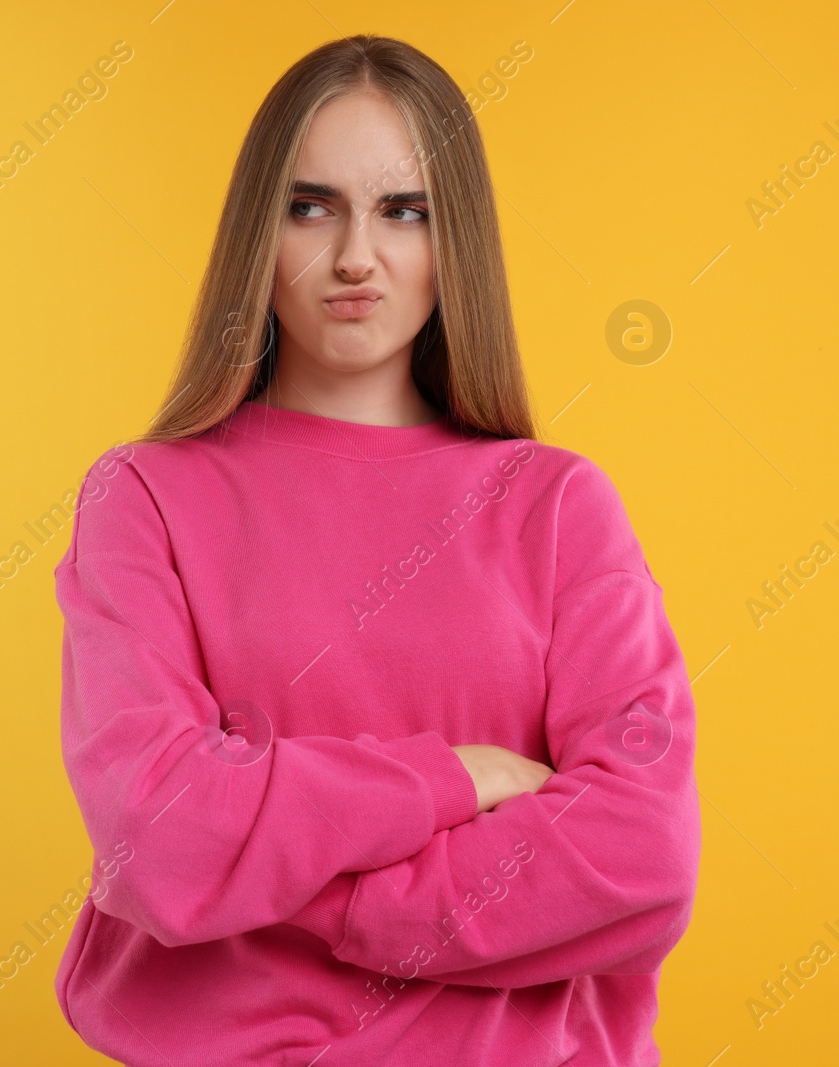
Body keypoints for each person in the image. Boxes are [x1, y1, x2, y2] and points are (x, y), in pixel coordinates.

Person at [52, 34, 700, 1066]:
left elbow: (641, 857)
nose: (354, 255)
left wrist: (284, 868)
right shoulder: (143, 497)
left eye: (404, 211)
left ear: (457, 243)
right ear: (254, 233)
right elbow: (160, 835)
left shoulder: (555, 503)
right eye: (310, 206)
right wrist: (448, 779)